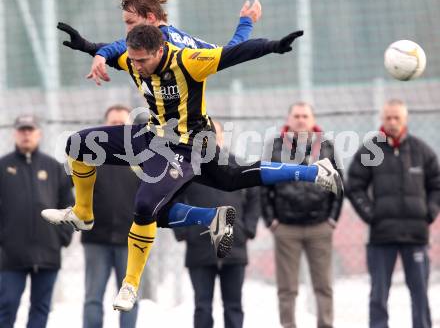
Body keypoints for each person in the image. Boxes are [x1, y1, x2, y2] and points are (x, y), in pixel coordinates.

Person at [41, 24, 342, 314]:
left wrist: (272, 46)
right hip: (150, 135)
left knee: (149, 206)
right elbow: (110, 50)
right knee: (78, 145)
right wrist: (85, 47)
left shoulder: (188, 60)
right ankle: (83, 213)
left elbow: (234, 53)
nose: (137, 66)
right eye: (133, 59)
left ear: (160, 49)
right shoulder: (131, 56)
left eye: (143, 60)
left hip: (186, 146)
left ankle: (131, 284)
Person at [346, 99, 440, 328]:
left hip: (415, 236)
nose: (392, 122)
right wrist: (372, 214)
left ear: (405, 119)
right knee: (379, 294)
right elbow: (354, 185)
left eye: (397, 117)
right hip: (382, 236)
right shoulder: (370, 150)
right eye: (388, 117)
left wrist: (429, 212)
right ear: (382, 119)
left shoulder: (421, 150)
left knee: (419, 294)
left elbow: (437, 184)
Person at [56, 0, 262, 85]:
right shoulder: (181, 37)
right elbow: (229, 52)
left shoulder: (161, 39)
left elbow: (120, 47)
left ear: (151, 18)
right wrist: (245, 24)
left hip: (179, 134)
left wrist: (100, 54)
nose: (128, 29)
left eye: (131, 22)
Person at [261, 102, 343, 328]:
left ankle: (325, 324)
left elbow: (338, 182)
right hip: (286, 227)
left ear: (313, 119)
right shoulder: (275, 146)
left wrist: (332, 219)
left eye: (305, 115)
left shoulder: (326, 146)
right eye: (296, 115)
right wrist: (271, 221)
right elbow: (263, 185)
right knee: (287, 288)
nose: (300, 120)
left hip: (320, 226)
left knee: (323, 285)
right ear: (289, 119)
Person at [173, 121, 260, 328]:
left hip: (234, 245)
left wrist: (247, 228)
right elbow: (172, 200)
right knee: (202, 306)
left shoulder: (238, 164)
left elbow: (256, 195)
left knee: (233, 306)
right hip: (199, 246)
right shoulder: (187, 169)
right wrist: (183, 232)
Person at [0, 115, 74, 328]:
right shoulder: (3, 166)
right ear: (15, 133)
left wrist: (62, 237)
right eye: (22, 130)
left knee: (41, 309)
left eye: (30, 130)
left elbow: (68, 205)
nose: (26, 134)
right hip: (11, 254)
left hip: (48, 252)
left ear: (38, 133)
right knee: (7, 304)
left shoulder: (53, 167)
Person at [81, 105, 141, 328]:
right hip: (96, 240)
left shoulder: (142, 160)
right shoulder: (89, 157)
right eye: (112, 122)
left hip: (131, 243)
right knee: (93, 298)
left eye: (121, 123)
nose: (117, 127)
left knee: (129, 299)